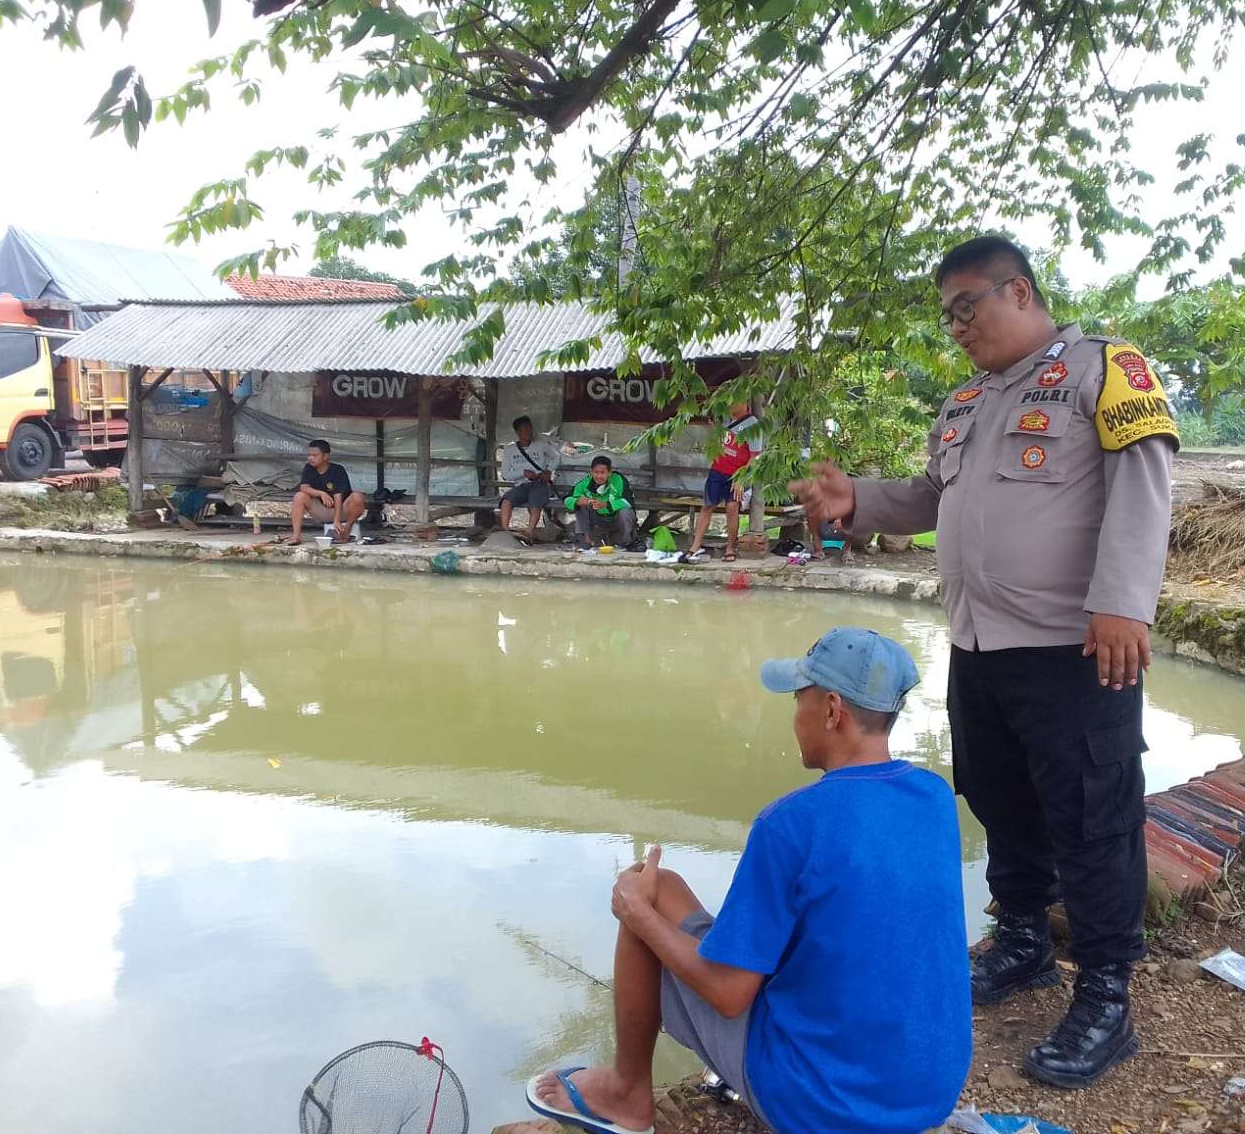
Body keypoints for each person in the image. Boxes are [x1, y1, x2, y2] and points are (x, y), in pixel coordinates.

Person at [791, 235, 1178, 1090]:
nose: (958, 326)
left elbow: (1143, 487)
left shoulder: (1104, 370)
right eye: (949, 316)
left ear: (1021, 292)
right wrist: (857, 499)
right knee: (1002, 799)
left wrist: (1123, 602)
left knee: (1093, 818)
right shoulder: (964, 401)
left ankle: (1106, 994)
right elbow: (933, 498)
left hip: (1076, 647)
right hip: (978, 646)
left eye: (968, 306)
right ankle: (1025, 941)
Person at [500, 628, 972, 1134]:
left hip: (824, 1106)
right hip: (929, 1090)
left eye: (799, 699)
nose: (795, 715)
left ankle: (627, 1095)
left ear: (832, 710)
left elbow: (728, 995)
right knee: (665, 885)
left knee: (647, 897)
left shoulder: (791, 823)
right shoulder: (933, 797)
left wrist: (636, 915)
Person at [681, 401, 764, 563]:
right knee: (707, 506)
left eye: (734, 402)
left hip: (737, 474)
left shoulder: (753, 425)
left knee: (732, 507)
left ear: (744, 403)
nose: (730, 405)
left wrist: (742, 478)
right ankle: (695, 546)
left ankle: (730, 547)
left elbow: (755, 456)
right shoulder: (724, 418)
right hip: (718, 469)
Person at [286, 439, 366, 546]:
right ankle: (296, 536)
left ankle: (347, 529)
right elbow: (304, 487)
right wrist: (321, 493)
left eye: (315, 455)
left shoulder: (337, 470)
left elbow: (338, 497)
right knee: (299, 496)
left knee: (358, 496)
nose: (311, 458)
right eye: (309, 455)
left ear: (325, 456)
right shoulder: (308, 468)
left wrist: (337, 521)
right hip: (322, 510)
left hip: (342, 510)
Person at [499, 416, 561, 540]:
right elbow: (505, 474)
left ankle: (528, 532)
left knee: (535, 502)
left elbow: (556, 457)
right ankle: (505, 530)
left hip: (539, 483)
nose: (528, 432)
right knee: (506, 501)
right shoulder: (510, 450)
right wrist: (522, 473)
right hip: (521, 485)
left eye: (529, 428)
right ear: (518, 432)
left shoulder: (541, 445)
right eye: (524, 429)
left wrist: (548, 470)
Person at [565, 455, 638, 550]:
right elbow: (567, 499)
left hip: (616, 518)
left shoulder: (619, 480)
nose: (599, 476)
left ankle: (625, 542)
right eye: (596, 472)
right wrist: (577, 501)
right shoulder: (585, 483)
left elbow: (629, 502)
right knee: (580, 505)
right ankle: (587, 541)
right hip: (598, 520)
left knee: (625, 511)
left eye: (603, 473)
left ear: (609, 473)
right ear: (591, 472)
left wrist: (606, 505)